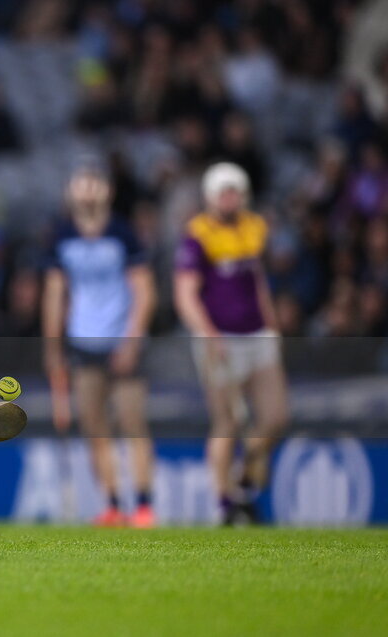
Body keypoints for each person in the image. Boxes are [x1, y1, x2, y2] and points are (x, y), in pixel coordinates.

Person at [174, 162, 288, 525]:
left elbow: (257, 281)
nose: (230, 198)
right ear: (211, 196)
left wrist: (272, 325)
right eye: (223, 191)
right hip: (220, 339)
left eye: (234, 191)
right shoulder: (199, 234)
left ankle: (243, 480)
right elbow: (186, 294)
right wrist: (208, 334)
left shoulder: (254, 228)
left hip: (256, 335)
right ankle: (225, 503)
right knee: (226, 422)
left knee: (275, 417)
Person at [44, 169, 157, 527]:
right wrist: (52, 348)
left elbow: (145, 291)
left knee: (132, 423)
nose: (88, 190)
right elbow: (55, 294)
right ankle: (111, 504)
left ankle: (142, 506)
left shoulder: (122, 232)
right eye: (81, 182)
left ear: (107, 191)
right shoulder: (61, 235)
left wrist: (132, 338)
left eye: (95, 182)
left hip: (122, 342)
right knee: (95, 427)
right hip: (83, 343)